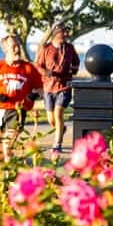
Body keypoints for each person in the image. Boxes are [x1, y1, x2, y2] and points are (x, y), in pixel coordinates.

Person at [0, 36, 43, 162]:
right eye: (14, 47)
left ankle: (9, 171)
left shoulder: (28, 68)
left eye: (18, 46)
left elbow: (41, 91)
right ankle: (3, 172)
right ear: (5, 49)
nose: (18, 49)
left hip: (17, 111)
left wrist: (33, 96)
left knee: (7, 146)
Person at [35, 23, 80, 153]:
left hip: (64, 86)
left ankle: (57, 144)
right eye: (62, 32)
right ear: (55, 34)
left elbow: (76, 62)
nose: (65, 35)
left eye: (66, 32)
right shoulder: (46, 48)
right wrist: (45, 72)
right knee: (51, 119)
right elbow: (38, 65)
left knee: (58, 113)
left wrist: (73, 70)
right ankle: (61, 128)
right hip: (48, 87)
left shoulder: (70, 48)